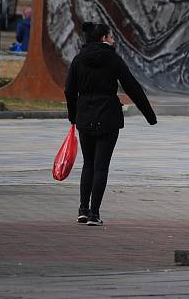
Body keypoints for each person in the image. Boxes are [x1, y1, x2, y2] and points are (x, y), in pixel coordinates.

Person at [64, 22, 157, 226]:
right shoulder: (113, 60)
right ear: (104, 38)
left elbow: (69, 91)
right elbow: (133, 87)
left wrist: (73, 115)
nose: (114, 39)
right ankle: (94, 214)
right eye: (112, 36)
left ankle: (82, 209)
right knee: (101, 166)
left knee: (88, 164)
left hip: (85, 115)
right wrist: (150, 115)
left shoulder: (79, 60)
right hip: (108, 116)